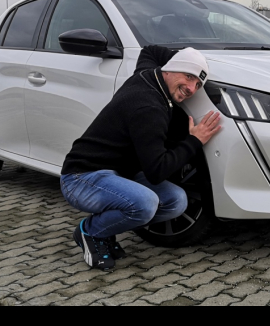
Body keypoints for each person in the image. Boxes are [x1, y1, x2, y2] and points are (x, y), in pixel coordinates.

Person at [60, 45, 221, 270]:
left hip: (119, 175)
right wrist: (194, 141)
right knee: (145, 204)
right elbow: (156, 171)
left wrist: (192, 58)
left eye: (197, 84)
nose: (192, 89)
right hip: (82, 177)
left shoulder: (149, 73)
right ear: (171, 70)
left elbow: (149, 50)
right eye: (188, 77)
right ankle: (91, 231)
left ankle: (107, 229)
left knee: (177, 201)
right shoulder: (148, 107)